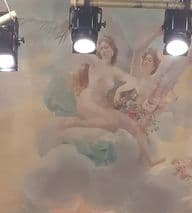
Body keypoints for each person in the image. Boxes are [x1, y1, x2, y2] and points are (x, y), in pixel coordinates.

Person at [60, 36, 163, 166]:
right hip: (88, 102)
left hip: (103, 106)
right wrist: (75, 37)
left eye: (106, 47)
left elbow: (133, 80)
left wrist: (120, 90)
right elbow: (81, 54)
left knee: (134, 126)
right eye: (101, 48)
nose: (103, 50)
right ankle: (75, 123)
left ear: (113, 50)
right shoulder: (95, 61)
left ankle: (150, 160)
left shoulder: (114, 70)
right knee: (113, 122)